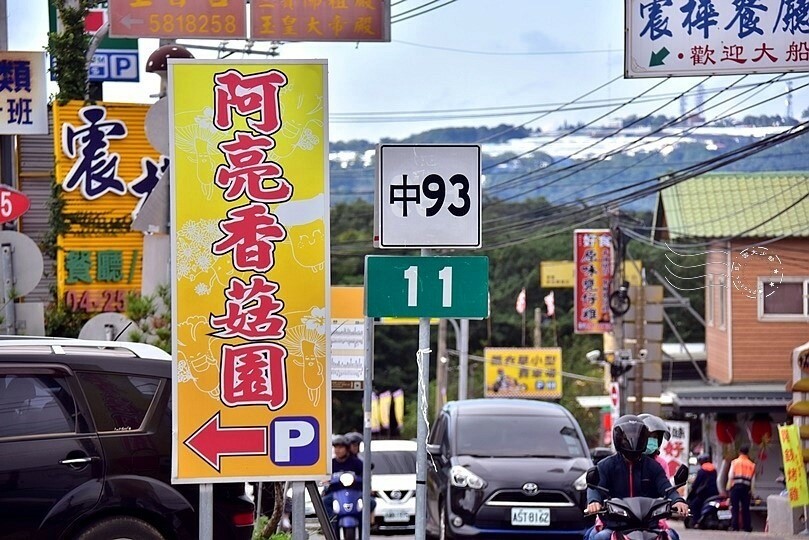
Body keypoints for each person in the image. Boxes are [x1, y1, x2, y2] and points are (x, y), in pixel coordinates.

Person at [585, 415, 689, 540]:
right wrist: (594, 501)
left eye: (637, 436)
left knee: (672, 536)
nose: (633, 440)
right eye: (628, 436)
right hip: (615, 525)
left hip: (649, 525)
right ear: (618, 438)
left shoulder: (654, 467)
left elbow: (666, 487)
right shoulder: (606, 465)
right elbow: (595, 487)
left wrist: (677, 500)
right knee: (599, 537)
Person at [726, 445, 756, 532]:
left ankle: (735, 526)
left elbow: (730, 476)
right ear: (748, 453)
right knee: (745, 508)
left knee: (735, 507)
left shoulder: (735, 462)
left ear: (740, 452)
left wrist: (728, 488)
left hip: (735, 487)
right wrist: (752, 492)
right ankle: (747, 527)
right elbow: (753, 481)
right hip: (746, 488)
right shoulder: (751, 464)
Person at [687, 454, 719, 524]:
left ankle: (696, 521)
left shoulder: (702, 471)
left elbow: (696, 484)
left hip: (704, 493)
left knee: (694, 505)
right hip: (715, 493)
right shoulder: (714, 470)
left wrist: (692, 491)